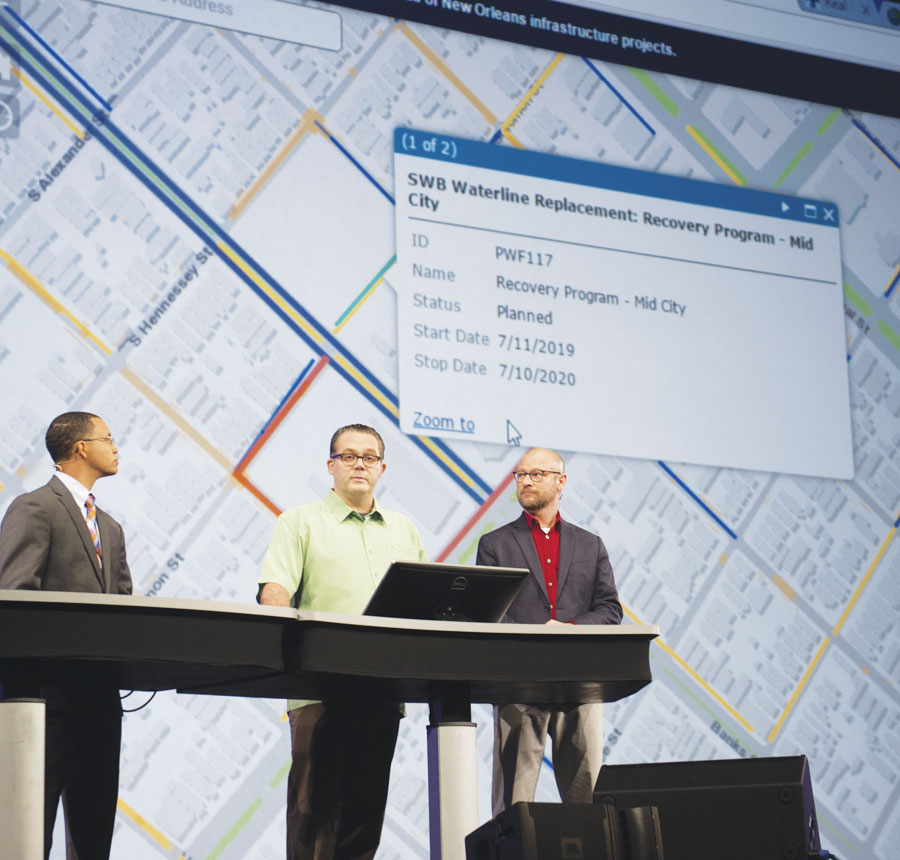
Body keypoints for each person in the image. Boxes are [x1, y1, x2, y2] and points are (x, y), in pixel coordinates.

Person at [258, 423, 427, 860]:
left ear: (382, 468)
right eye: (348, 456)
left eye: (369, 457)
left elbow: (428, 606)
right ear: (330, 465)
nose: (359, 465)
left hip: (385, 690)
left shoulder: (404, 530)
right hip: (320, 691)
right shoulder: (299, 521)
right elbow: (275, 591)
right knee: (314, 817)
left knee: (363, 820)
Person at [0, 411, 132, 859]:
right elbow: (13, 599)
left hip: (100, 707)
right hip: (44, 703)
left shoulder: (110, 528)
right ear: (80, 448)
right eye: (108, 438)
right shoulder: (35, 507)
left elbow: (125, 611)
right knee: (29, 834)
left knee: (94, 837)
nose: (116, 447)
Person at [476, 447, 622, 815]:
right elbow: (489, 614)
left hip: (581, 682)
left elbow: (610, 610)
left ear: (561, 482)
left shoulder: (591, 544)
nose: (525, 481)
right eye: (520, 475)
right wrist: (538, 635)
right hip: (519, 680)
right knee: (514, 802)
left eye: (536, 474)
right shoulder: (495, 545)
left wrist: (570, 628)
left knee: (587, 799)